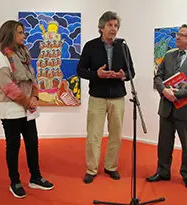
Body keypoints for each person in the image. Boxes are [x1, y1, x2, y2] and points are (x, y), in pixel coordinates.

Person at [0, 20, 54, 198]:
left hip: (27, 108)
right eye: (20, 32)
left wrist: (34, 97)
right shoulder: (0, 56)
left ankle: (35, 177)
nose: (23, 35)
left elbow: (32, 78)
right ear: (9, 33)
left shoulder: (23, 54)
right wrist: (27, 101)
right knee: (13, 146)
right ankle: (15, 182)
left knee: (33, 143)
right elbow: (7, 85)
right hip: (11, 109)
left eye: (23, 32)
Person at [146, 24, 187, 190]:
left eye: (181, 35)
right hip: (167, 108)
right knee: (164, 143)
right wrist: (164, 91)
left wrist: (176, 93)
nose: (177, 37)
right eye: (177, 34)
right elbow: (158, 77)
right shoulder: (169, 56)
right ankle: (163, 171)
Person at [77, 11, 135, 184]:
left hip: (118, 97)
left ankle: (111, 167)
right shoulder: (90, 46)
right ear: (101, 27)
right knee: (94, 135)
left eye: (116, 26)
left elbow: (132, 71)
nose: (114, 29)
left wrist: (123, 75)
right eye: (110, 25)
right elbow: (80, 71)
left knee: (116, 135)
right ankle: (91, 169)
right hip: (97, 97)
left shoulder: (123, 46)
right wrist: (97, 74)